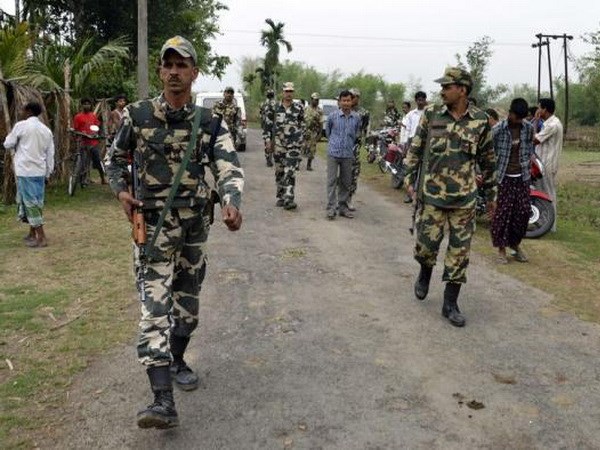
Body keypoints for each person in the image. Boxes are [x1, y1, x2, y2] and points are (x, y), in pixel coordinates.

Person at [106, 35, 244, 429]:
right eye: (168, 64)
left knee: (187, 306)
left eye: (182, 65)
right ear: (161, 70)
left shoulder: (209, 122)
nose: (174, 71)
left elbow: (229, 167)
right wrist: (121, 191)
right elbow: (113, 158)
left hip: (194, 230)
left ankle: (179, 358)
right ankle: (161, 400)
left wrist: (232, 201)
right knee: (154, 310)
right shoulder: (137, 115)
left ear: (194, 72)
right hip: (152, 232)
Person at [404, 67, 496, 327]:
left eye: (447, 87)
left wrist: (491, 195)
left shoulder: (480, 121)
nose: (442, 91)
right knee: (426, 248)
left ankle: (450, 303)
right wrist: (408, 178)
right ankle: (424, 274)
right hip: (432, 197)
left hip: (464, 202)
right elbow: (416, 148)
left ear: (462, 90)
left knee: (459, 254)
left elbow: (489, 163)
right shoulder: (432, 114)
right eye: (442, 87)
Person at [3, 101, 55, 248]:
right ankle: (32, 233)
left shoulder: (21, 126)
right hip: (40, 171)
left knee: (30, 204)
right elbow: (50, 153)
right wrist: (48, 173)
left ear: (28, 111)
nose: (21, 112)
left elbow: (8, 144)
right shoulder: (46, 130)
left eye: (23, 110)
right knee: (35, 203)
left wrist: (13, 138)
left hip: (25, 171)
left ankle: (42, 237)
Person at [490, 98, 534, 263]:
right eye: (516, 117)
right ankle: (501, 250)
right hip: (503, 178)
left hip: (522, 177)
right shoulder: (498, 130)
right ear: (510, 113)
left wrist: (527, 162)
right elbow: (488, 150)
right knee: (502, 214)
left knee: (522, 213)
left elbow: (529, 145)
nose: (518, 121)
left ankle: (515, 245)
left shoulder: (528, 129)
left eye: (521, 118)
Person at [262, 81, 305, 210]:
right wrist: (268, 141)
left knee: (290, 171)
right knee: (280, 171)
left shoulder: (299, 108)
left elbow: (303, 124)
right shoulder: (274, 107)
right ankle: (281, 195)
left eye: (291, 91)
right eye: (287, 91)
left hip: (293, 145)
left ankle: (289, 198)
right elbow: (267, 125)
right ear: (282, 92)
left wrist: (301, 139)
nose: (289, 94)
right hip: (278, 145)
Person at [325, 90, 362, 220]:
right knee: (332, 181)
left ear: (352, 102)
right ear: (339, 102)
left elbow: (357, 134)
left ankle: (342, 208)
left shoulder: (356, 118)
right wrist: (334, 144)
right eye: (343, 100)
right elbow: (328, 132)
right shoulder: (332, 116)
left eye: (348, 100)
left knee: (346, 182)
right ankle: (331, 208)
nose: (346, 103)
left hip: (347, 154)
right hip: (333, 154)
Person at [533, 98, 563, 232]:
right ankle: (544, 223)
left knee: (548, 194)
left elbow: (535, 139)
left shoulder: (552, 125)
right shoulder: (548, 123)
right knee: (542, 192)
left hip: (548, 163)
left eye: (539, 107)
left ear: (544, 109)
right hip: (543, 163)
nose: (538, 110)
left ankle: (550, 226)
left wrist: (534, 121)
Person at [402, 91, 428, 203]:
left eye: (423, 99)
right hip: (413, 142)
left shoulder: (429, 113)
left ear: (425, 100)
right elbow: (407, 130)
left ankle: (420, 195)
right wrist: (406, 144)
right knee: (411, 169)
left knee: (424, 169)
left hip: (425, 143)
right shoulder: (411, 114)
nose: (421, 102)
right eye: (419, 100)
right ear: (416, 101)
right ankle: (409, 194)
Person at [73, 97, 106, 184]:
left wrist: (97, 133)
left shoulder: (93, 116)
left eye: (88, 104)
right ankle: (83, 179)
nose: (86, 106)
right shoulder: (78, 117)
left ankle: (103, 178)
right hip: (83, 142)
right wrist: (80, 133)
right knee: (83, 162)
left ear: (91, 105)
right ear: (82, 105)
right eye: (85, 104)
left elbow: (97, 126)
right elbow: (75, 130)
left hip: (93, 142)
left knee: (98, 160)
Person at [347, 88, 370, 211]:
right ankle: (339, 198)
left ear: (358, 98)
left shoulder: (363, 113)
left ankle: (349, 199)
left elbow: (364, 130)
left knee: (353, 173)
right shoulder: (344, 109)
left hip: (355, 148)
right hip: (343, 146)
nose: (351, 99)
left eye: (354, 96)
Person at [303, 92, 323, 171]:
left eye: (317, 100)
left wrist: (320, 133)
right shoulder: (306, 108)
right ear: (311, 100)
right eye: (315, 100)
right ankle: (297, 163)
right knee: (301, 147)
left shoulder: (319, 111)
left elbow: (321, 122)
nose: (316, 101)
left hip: (313, 132)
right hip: (304, 131)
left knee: (312, 149)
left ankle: (309, 165)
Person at [260, 89, 276, 167]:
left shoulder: (263, 104)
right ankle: (269, 159)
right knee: (271, 143)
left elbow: (261, 115)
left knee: (267, 142)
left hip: (267, 127)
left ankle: (268, 159)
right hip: (271, 126)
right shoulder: (275, 104)